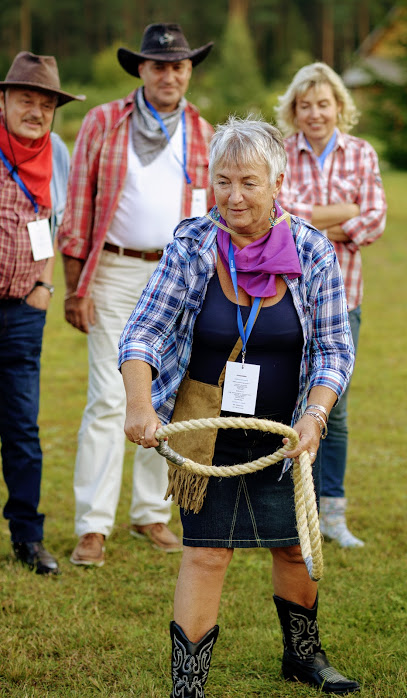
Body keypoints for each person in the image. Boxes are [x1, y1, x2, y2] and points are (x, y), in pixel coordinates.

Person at [119, 117, 359, 696]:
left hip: (286, 433)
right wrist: (139, 405)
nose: (234, 196)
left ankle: (303, 656)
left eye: (249, 182)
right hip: (207, 435)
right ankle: (188, 684)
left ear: (277, 183)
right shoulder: (193, 245)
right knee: (207, 554)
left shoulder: (312, 250)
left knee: (294, 550)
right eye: (223, 181)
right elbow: (143, 332)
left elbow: (334, 349)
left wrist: (314, 417)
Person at [58, 23, 214, 568]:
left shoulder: (203, 131)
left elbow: (215, 214)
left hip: (177, 278)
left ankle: (151, 513)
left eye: (179, 66)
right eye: (159, 66)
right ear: (142, 70)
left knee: (166, 395)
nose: (170, 75)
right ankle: (92, 525)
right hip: (114, 271)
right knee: (109, 397)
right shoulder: (103, 121)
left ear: (189, 71)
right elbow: (78, 204)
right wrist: (75, 286)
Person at [277, 62, 387, 548]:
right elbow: (279, 215)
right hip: (287, 297)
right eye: (305, 105)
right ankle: (288, 509)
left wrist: (311, 221)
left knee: (331, 407)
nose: (315, 113)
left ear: (339, 106)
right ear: (293, 110)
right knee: (284, 400)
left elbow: (376, 217)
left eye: (323, 104)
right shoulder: (280, 152)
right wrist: (344, 213)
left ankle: (332, 514)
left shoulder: (361, 153)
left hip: (345, 298)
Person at [0, 52, 84, 574]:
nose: (36, 111)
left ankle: (28, 538)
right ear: (4, 100)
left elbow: (53, 222)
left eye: (46, 104)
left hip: (25, 310)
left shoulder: (56, 152)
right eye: (26, 99)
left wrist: (45, 285)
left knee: (22, 430)